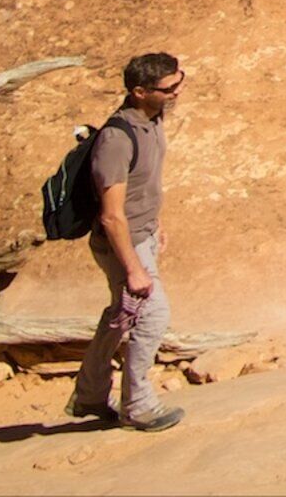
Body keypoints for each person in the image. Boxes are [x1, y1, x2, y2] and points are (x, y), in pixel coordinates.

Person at [67, 52, 187, 432]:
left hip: (142, 234)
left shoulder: (152, 120)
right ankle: (137, 405)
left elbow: (143, 185)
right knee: (153, 316)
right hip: (123, 243)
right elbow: (111, 214)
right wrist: (133, 267)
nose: (177, 92)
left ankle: (88, 395)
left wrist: (155, 223)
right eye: (168, 88)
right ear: (139, 92)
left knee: (122, 315)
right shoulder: (117, 139)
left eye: (179, 82)